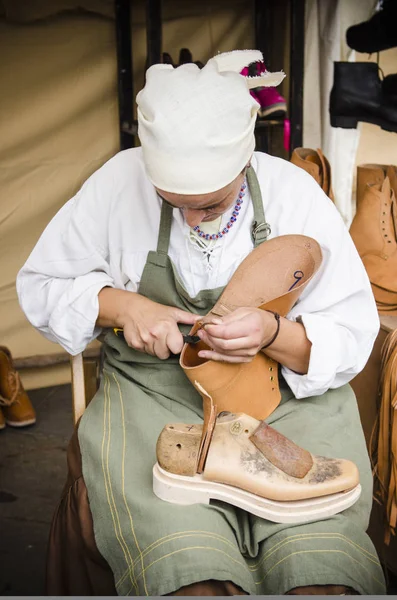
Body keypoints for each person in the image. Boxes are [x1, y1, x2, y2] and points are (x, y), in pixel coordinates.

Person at [17, 50, 386, 595]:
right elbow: (43, 284)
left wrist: (272, 334)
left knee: (318, 576)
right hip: (154, 396)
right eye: (173, 202)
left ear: (244, 162)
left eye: (209, 206)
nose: (190, 219)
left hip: (286, 400)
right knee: (192, 576)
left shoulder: (291, 194)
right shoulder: (117, 184)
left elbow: (352, 330)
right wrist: (124, 306)